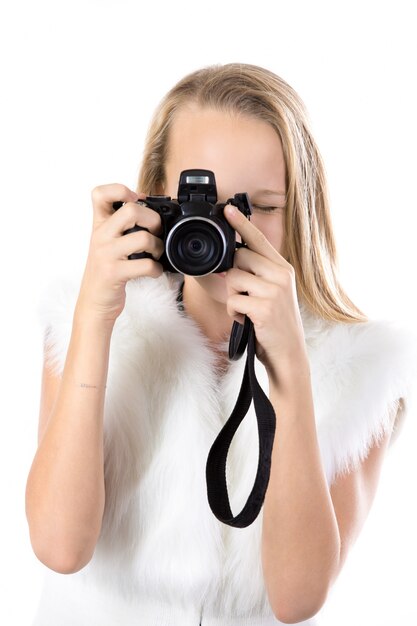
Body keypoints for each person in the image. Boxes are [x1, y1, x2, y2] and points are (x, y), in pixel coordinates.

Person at [26, 63, 416, 626]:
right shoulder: (79, 324)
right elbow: (60, 548)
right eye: (202, 199)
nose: (226, 229)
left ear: (302, 213)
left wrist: (292, 368)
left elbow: (297, 599)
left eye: (258, 207)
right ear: (155, 198)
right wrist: (95, 318)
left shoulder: (360, 371)